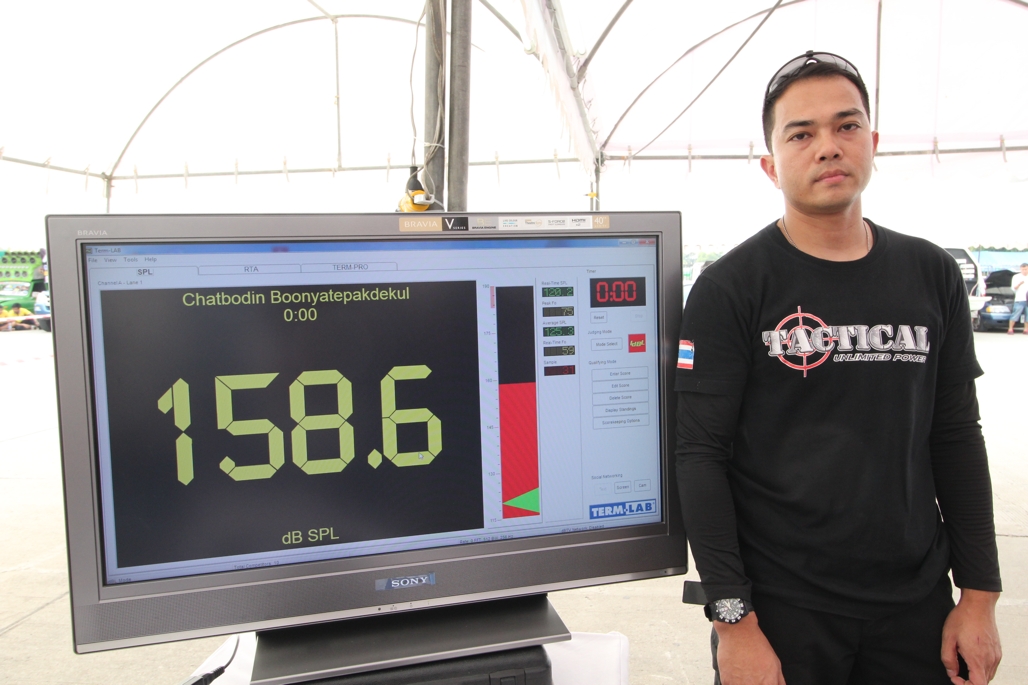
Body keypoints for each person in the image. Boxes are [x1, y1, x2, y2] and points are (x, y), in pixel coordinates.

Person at [675, 51, 1002, 685]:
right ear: (771, 165)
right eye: (801, 134)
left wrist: (979, 596)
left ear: (872, 143)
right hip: (783, 613)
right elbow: (699, 455)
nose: (828, 146)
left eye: (846, 126)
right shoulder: (730, 288)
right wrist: (733, 622)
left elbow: (957, 436)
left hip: (916, 606)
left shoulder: (931, 273)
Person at [1006, 263, 1028, 334]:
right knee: (1015, 314)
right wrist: (1019, 284)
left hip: (1027, 299)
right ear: (1020, 269)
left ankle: (1026, 329)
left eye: (1026, 269)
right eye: (1023, 269)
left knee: (1027, 315)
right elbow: (1013, 288)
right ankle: (1010, 329)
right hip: (1019, 299)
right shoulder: (1016, 277)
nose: (1024, 271)